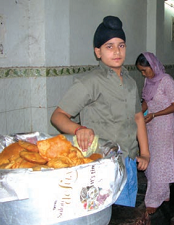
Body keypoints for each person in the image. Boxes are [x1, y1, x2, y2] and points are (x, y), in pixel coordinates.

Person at [50, 16, 150, 208]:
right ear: (98, 52)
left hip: (129, 162)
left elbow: (138, 117)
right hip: (102, 166)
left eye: (121, 45)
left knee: (128, 212)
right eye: (109, 46)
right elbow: (58, 116)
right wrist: (79, 129)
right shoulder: (90, 82)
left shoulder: (130, 82)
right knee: (107, 216)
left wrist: (145, 153)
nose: (117, 51)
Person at [135, 52, 174, 215]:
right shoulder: (148, 81)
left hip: (164, 124)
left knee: (157, 163)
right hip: (150, 125)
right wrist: (138, 114)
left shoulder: (166, 80)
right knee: (153, 160)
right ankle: (164, 194)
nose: (143, 74)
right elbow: (147, 101)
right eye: (141, 71)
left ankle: (153, 199)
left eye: (144, 70)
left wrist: (154, 115)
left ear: (152, 66)